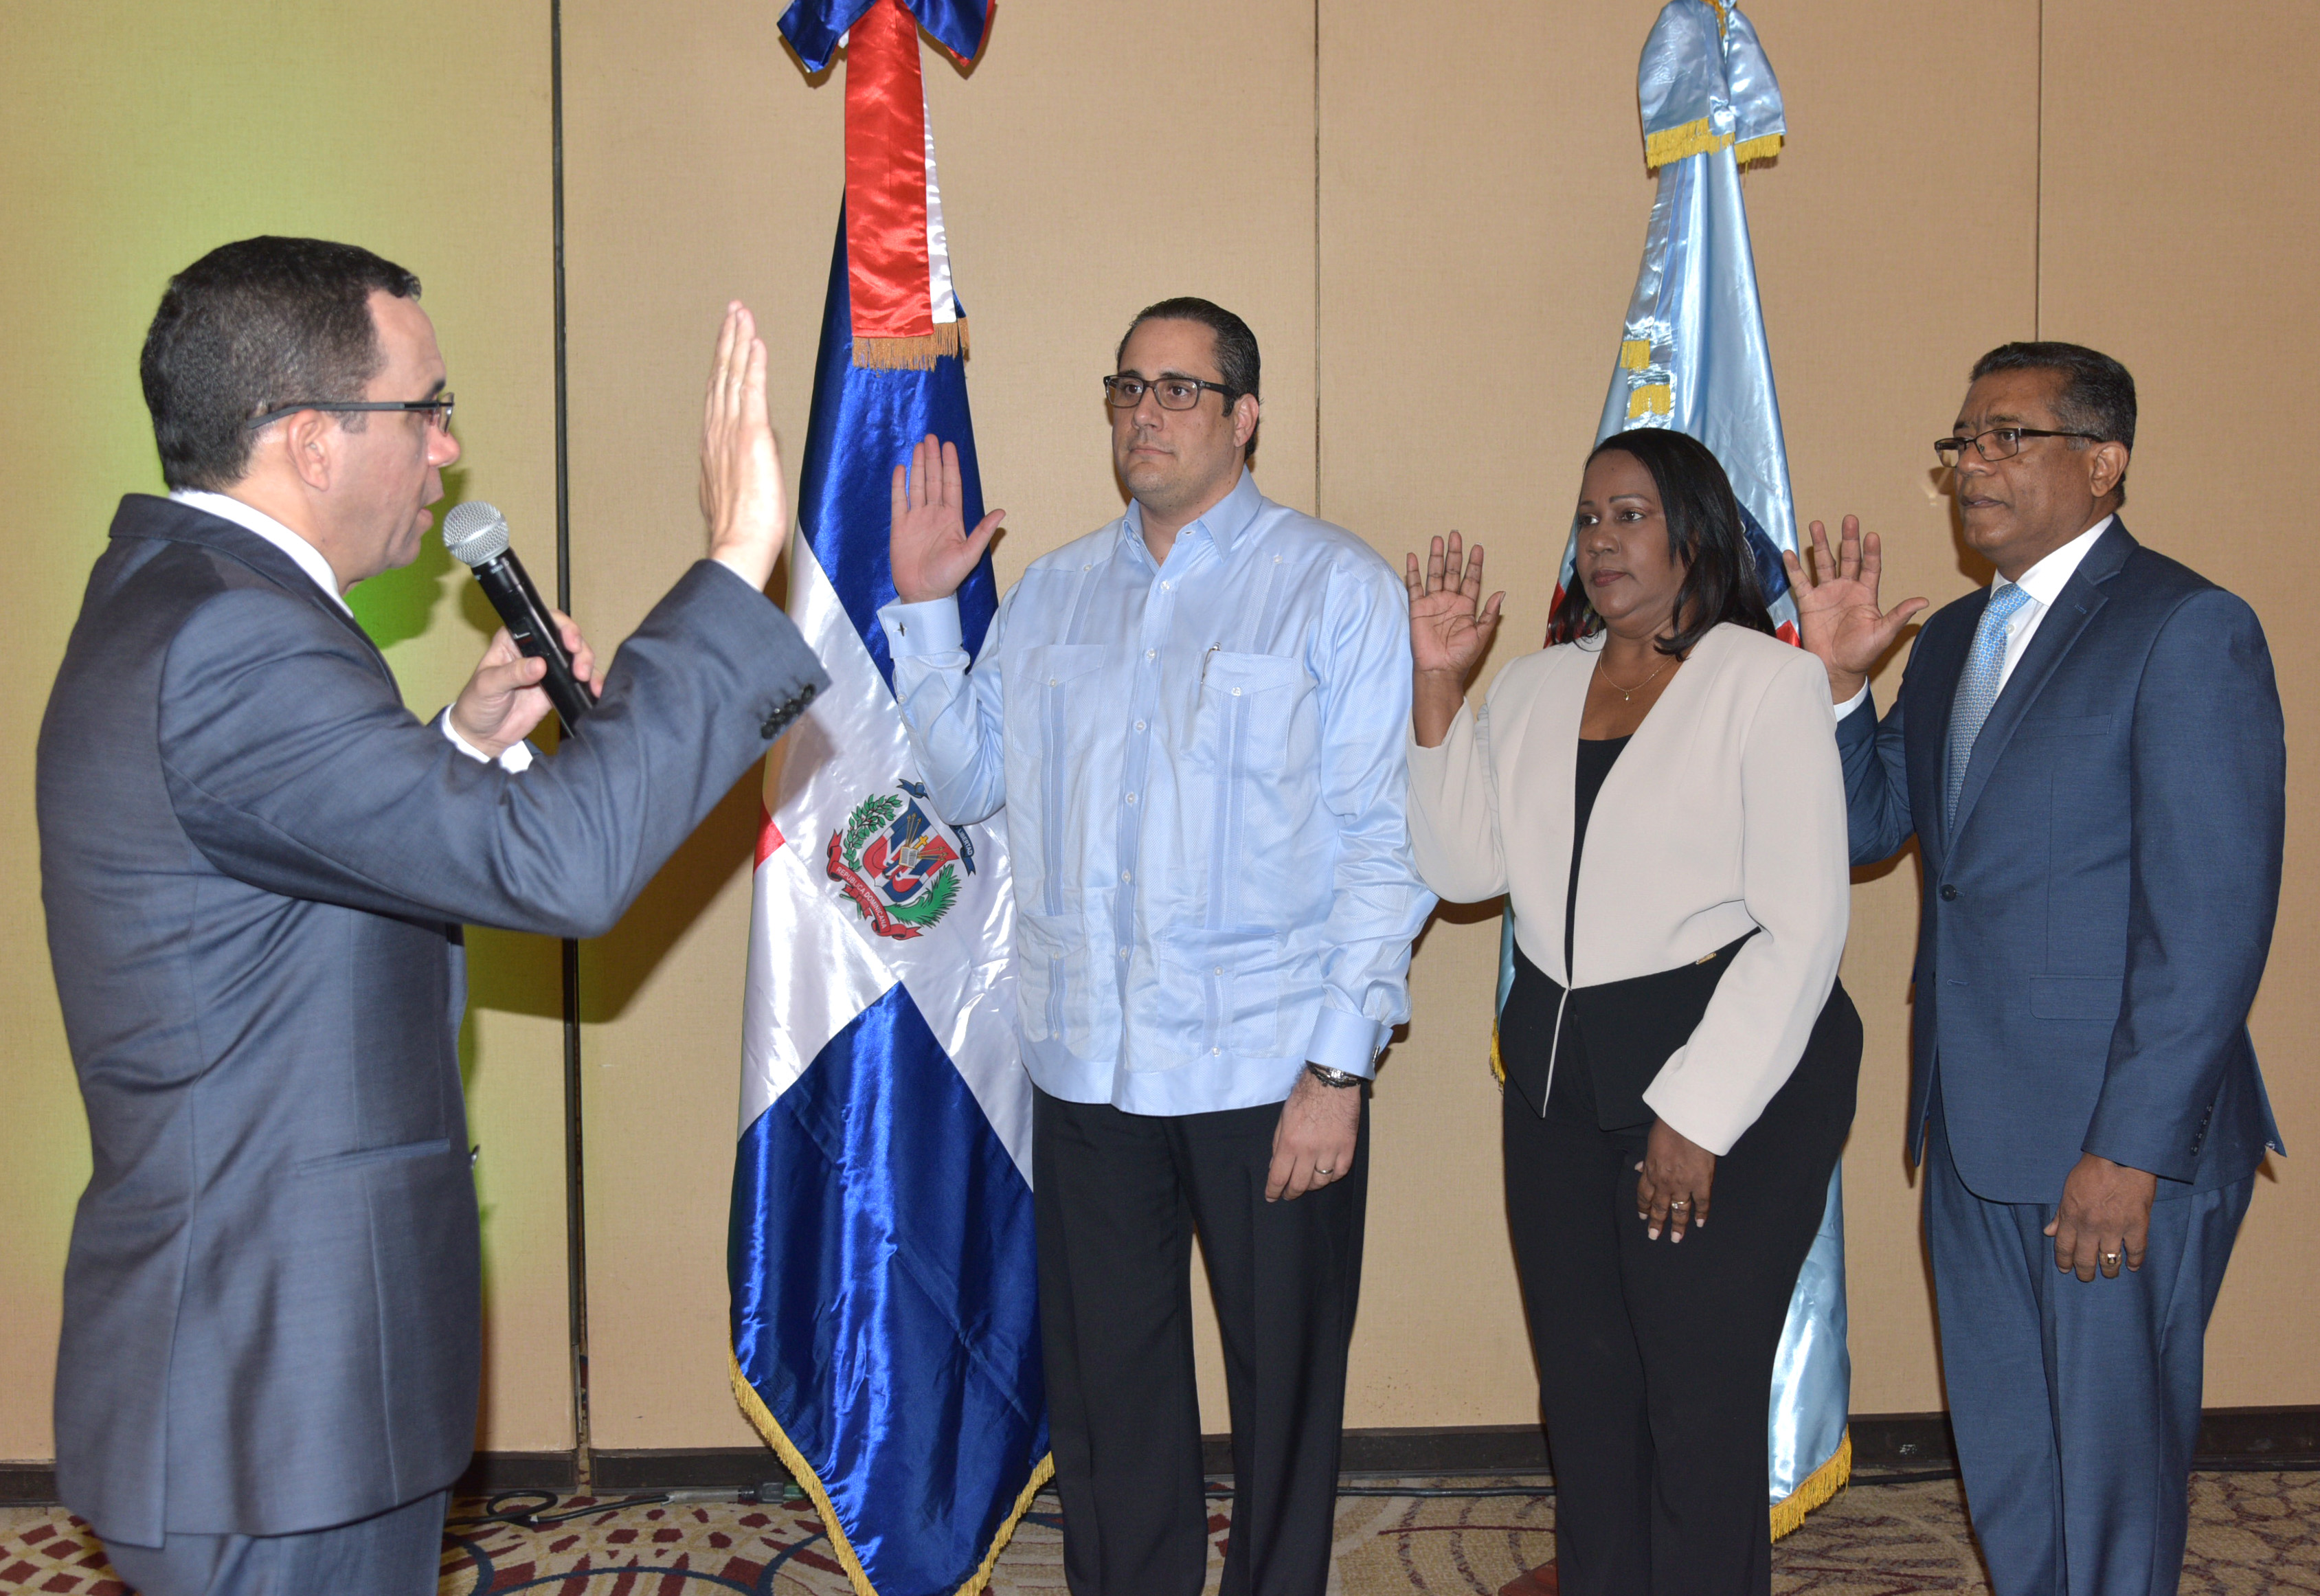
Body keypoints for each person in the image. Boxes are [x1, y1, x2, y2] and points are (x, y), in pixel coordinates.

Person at [37, 236, 826, 1596]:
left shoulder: (185, 597)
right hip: (268, 1399)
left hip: (268, 1382)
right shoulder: (238, 639)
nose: (451, 452)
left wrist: (459, 748)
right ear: (312, 443)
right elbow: (567, 872)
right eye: (429, 409)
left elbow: (294, 883)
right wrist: (738, 556)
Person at [879, 297, 1431, 1596]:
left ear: (1244, 418)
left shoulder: (1331, 586)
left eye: (1181, 390)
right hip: (1090, 1071)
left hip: (1269, 1075)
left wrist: (1338, 1073)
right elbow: (965, 788)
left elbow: (1379, 843)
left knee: (1283, 1396)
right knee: (1109, 1392)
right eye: (1128, 385)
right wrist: (920, 613)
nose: (1146, 412)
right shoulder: (1059, 590)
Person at [1786, 342, 2284, 1596]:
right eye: (1962, 442)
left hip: (2111, 1142)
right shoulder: (1955, 638)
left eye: (2008, 436)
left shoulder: (2185, 626)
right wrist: (1844, 686)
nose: (1973, 467)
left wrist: (2132, 1149)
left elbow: (2210, 922)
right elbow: (1867, 830)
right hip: (1970, 1123)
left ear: (2104, 462)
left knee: (2109, 1467)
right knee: (2010, 1455)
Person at [1405, 429, 1859, 1596]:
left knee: (1694, 1397)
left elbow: (1802, 926)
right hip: (1557, 1075)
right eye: (1588, 517)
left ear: (1694, 532)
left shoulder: (1767, 680)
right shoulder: (1540, 679)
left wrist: (1697, 1116)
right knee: (1588, 1389)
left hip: (1728, 1073)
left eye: (1630, 515)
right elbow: (1462, 871)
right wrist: (1438, 691)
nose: (1600, 540)